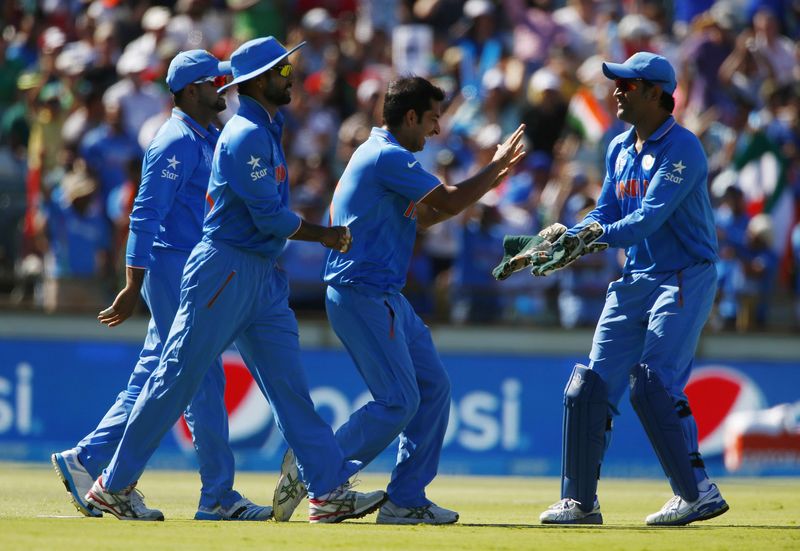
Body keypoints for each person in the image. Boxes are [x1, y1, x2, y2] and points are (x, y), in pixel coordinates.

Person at [82, 37, 386, 522]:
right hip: (224, 269)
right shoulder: (243, 133)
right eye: (282, 71)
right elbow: (269, 217)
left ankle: (327, 491)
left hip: (259, 273)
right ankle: (112, 485)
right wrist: (325, 235)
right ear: (258, 82)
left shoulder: (264, 125)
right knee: (177, 376)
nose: (291, 76)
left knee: (289, 387)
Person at [273, 76, 526, 524]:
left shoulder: (384, 157)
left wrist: (475, 186)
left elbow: (426, 216)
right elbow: (445, 204)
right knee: (399, 401)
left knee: (433, 390)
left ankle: (404, 500)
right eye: (431, 119)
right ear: (410, 116)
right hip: (363, 293)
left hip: (384, 295)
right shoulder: (387, 156)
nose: (435, 131)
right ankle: (320, 465)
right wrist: (497, 168)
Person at [51, 49, 273, 521]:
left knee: (156, 374)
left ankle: (87, 459)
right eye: (215, 82)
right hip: (173, 268)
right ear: (191, 90)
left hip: (190, 268)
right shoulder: (173, 140)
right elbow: (144, 214)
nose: (224, 88)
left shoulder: (202, 133)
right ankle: (217, 494)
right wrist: (133, 285)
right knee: (203, 377)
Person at [526, 52, 729, 526]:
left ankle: (697, 493)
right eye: (618, 84)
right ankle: (579, 503)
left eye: (629, 85)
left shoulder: (684, 148)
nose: (617, 91)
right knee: (588, 388)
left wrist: (591, 238)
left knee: (654, 383)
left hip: (683, 275)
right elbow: (608, 212)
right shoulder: (619, 146)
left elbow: (646, 219)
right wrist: (573, 230)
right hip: (636, 277)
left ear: (658, 93)